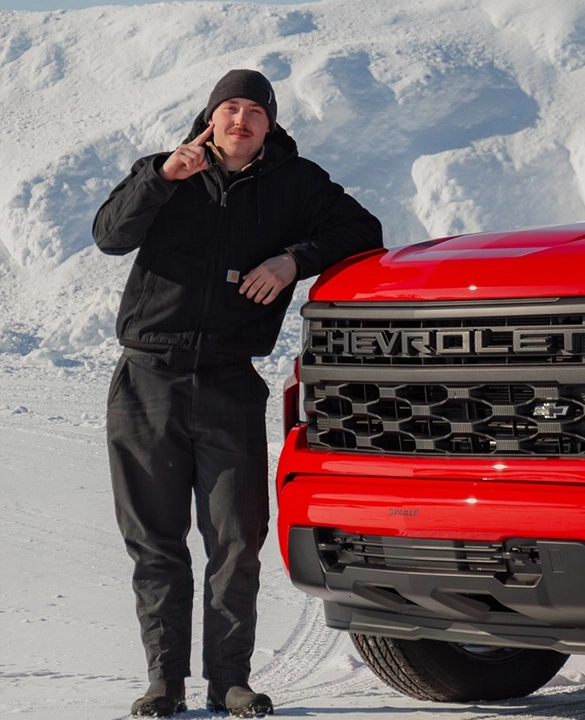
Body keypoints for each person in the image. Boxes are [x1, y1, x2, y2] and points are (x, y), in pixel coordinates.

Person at [93, 69, 383, 718]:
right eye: (230, 107)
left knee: (235, 540)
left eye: (255, 110)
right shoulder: (167, 172)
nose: (241, 119)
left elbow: (364, 231)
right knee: (156, 540)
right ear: (210, 116)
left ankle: (230, 682)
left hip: (229, 381)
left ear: (270, 125)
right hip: (147, 381)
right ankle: (164, 683)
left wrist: (292, 261)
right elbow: (110, 234)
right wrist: (161, 178)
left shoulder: (297, 185)